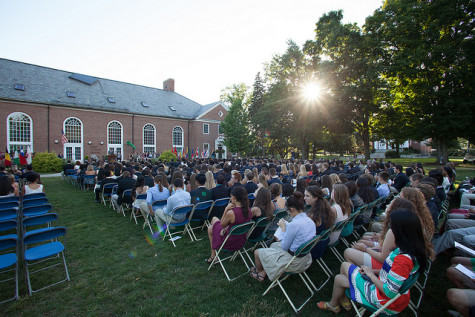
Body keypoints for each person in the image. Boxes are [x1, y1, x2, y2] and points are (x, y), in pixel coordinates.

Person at [317, 209, 430, 314]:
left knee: (344, 267)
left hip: (385, 302)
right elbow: (393, 273)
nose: (391, 230)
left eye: (393, 226)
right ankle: (341, 301)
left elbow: (389, 292)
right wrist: (374, 271)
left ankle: (335, 303)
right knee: (340, 278)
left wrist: (371, 275)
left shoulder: (403, 259)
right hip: (390, 293)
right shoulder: (413, 250)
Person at [251, 192, 316, 282]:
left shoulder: (295, 225)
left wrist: (283, 229)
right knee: (273, 245)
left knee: (257, 252)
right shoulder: (310, 221)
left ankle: (259, 272)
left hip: (294, 260)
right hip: (304, 256)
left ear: (292, 209)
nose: (288, 213)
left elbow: (284, 246)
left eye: (288, 211)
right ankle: (264, 271)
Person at [206, 186, 252, 263]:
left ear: (233, 197)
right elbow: (239, 224)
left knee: (210, 228)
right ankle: (213, 255)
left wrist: (226, 209)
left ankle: (213, 255)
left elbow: (222, 224)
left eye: (230, 196)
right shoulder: (248, 209)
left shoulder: (232, 213)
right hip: (241, 240)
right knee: (214, 220)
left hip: (230, 242)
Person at [305, 186, 336, 259]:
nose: (304, 198)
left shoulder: (314, 215)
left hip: (313, 248)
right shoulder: (325, 208)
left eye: (307, 196)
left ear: (315, 198)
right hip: (323, 243)